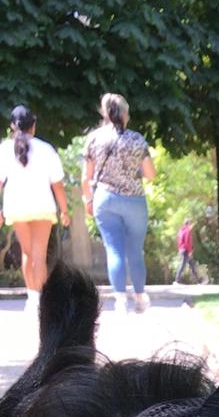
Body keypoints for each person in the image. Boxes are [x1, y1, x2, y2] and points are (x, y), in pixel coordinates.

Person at [82, 93, 155, 313]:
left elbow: (86, 176)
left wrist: (88, 199)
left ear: (105, 113)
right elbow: (151, 174)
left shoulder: (94, 139)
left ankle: (121, 300)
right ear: (124, 114)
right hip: (134, 200)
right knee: (135, 250)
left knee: (114, 250)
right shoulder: (136, 139)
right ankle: (140, 297)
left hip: (105, 199)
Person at [0, 105, 69, 307]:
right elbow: (58, 186)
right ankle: (41, 302)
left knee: (26, 252)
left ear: (13, 126)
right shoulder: (46, 149)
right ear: (33, 125)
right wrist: (65, 211)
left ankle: (32, 298)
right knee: (39, 254)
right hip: (42, 206)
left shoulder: (4, 149)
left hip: (16, 207)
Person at [173, 218, 201, 284]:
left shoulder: (181, 230)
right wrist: (190, 251)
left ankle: (198, 281)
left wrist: (180, 249)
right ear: (188, 224)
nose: (192, 226)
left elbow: (179, 241)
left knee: (192, 265)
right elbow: (187, 242)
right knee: (182, 265)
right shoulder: (187, 231)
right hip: (186, 250)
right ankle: (176, 281)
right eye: (191, 224)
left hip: (182, 249)